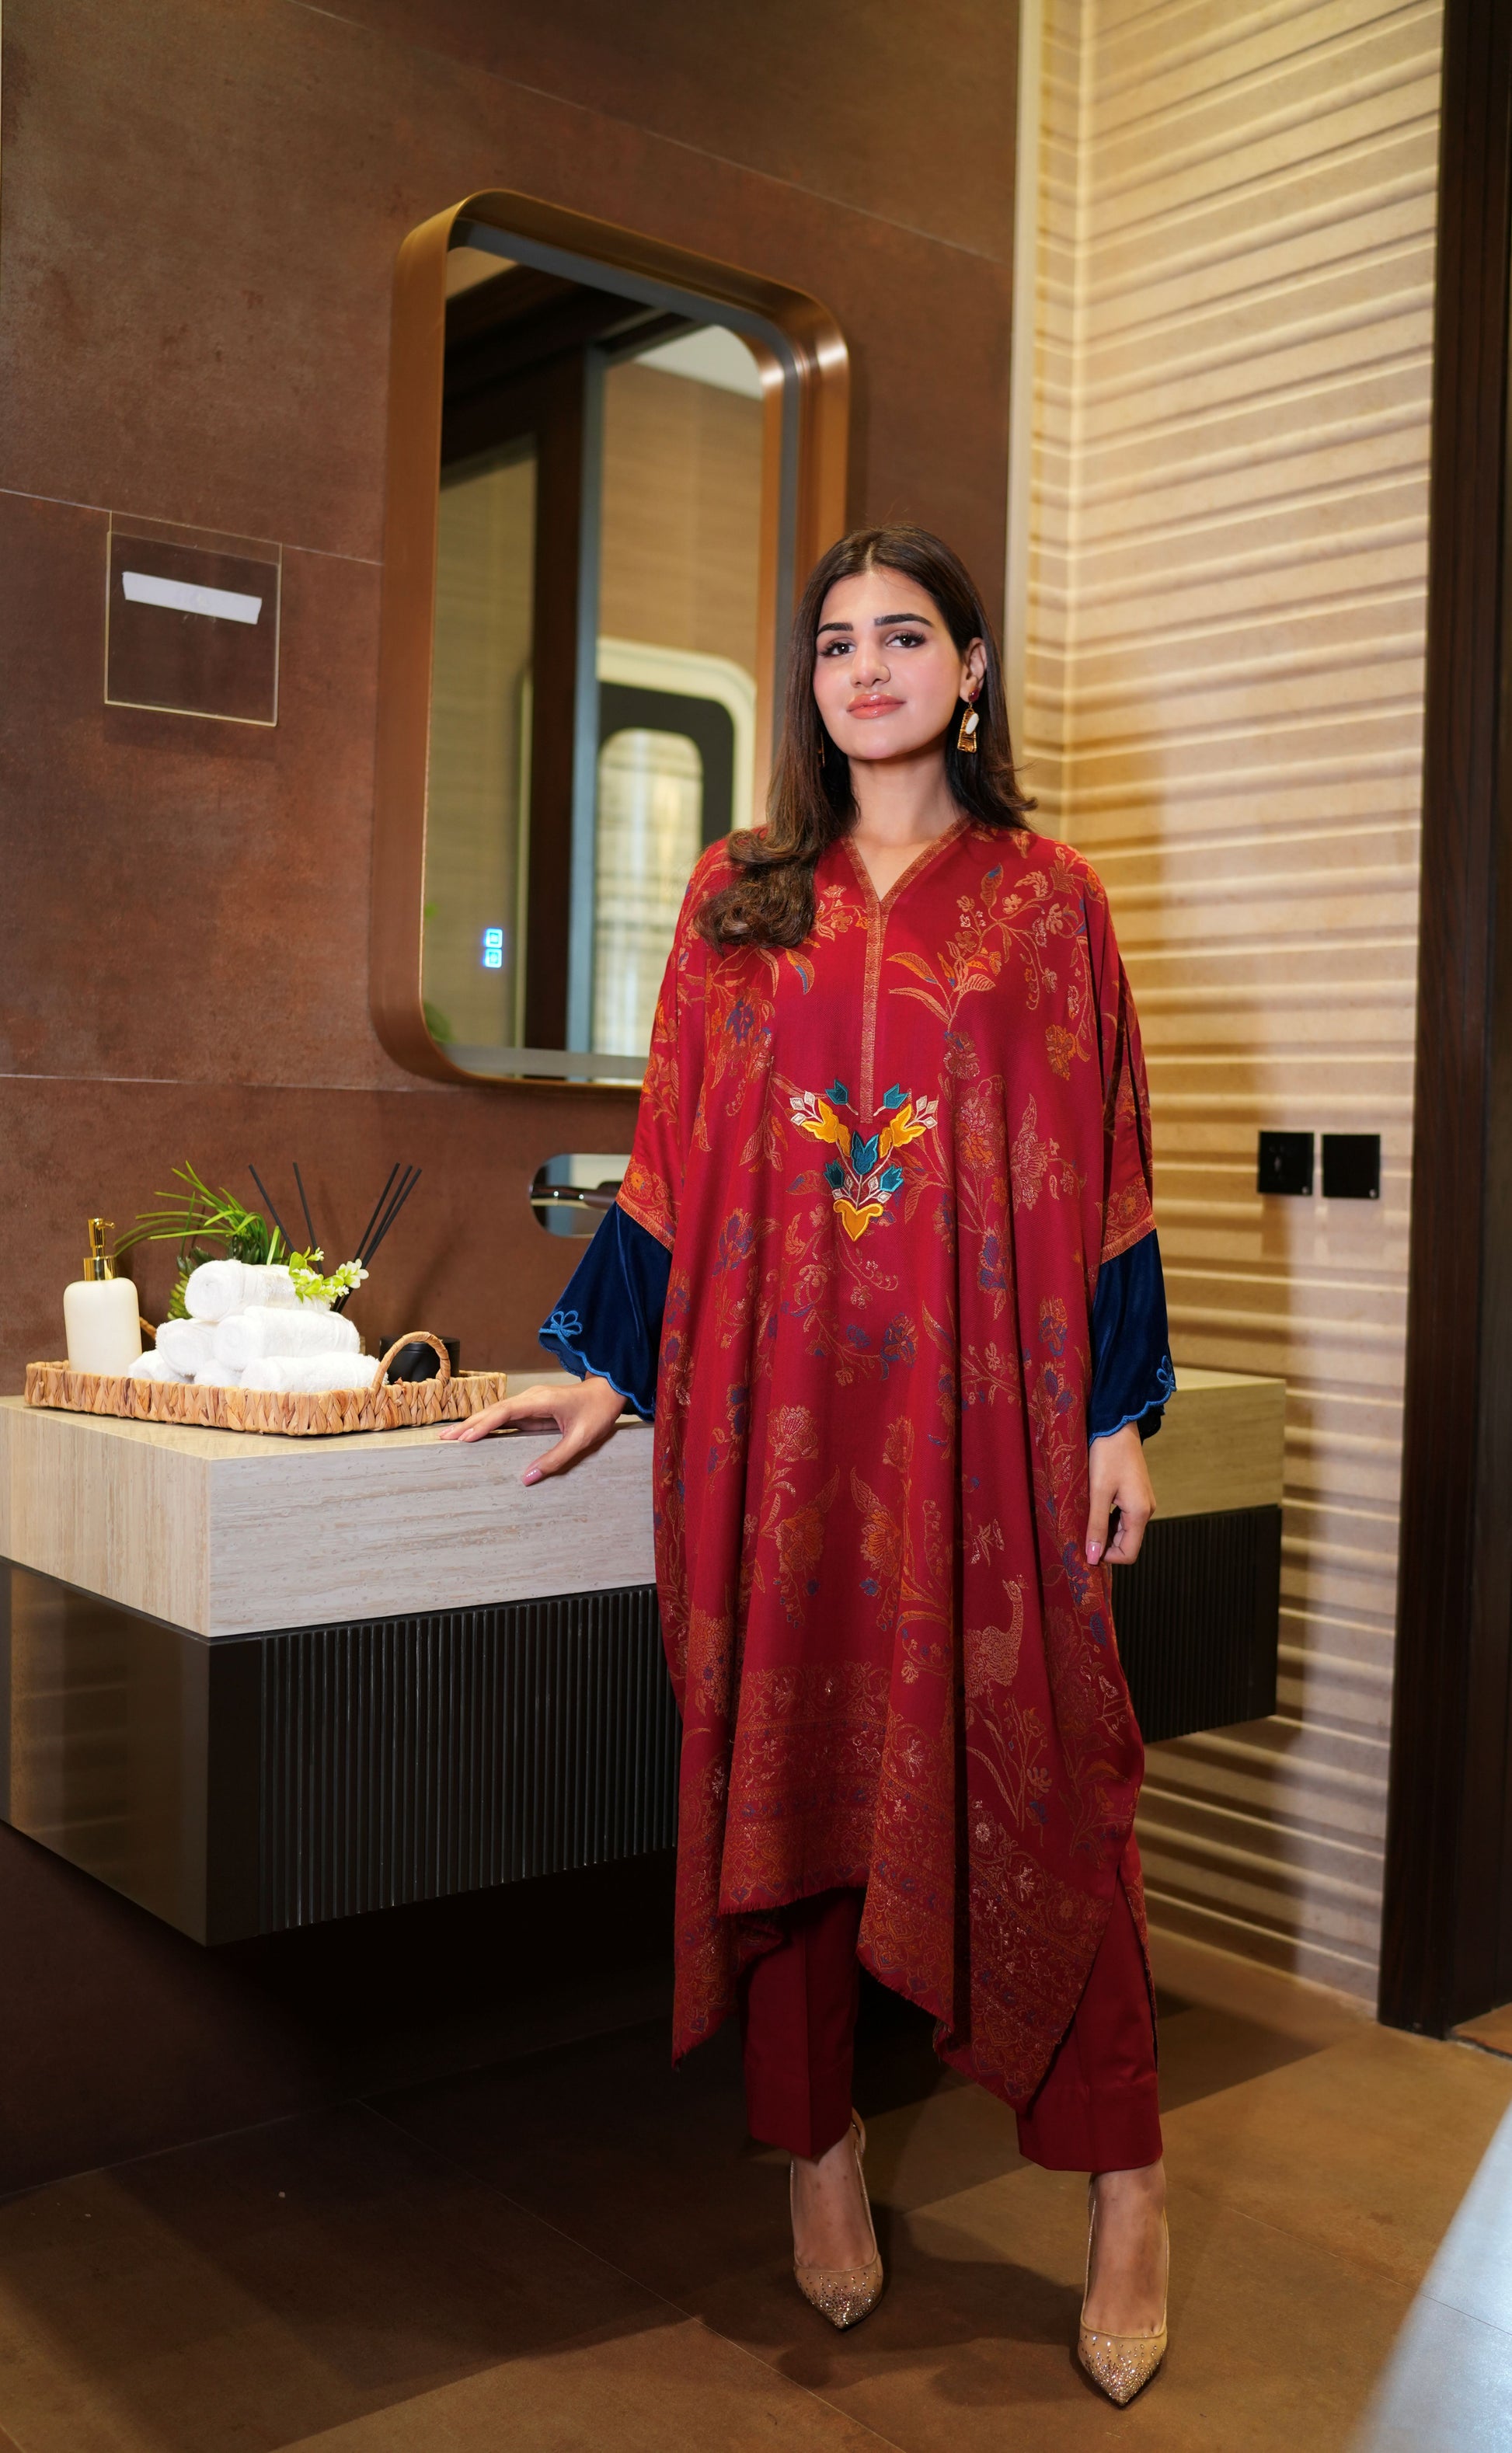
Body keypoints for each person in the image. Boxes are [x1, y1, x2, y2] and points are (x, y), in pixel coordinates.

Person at [444, 524, 1174, 2406]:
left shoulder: (1051, 902)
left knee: (1049, 1775)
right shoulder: (738, 894)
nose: (867, 668)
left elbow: (1105, 1168)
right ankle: (817, 2145)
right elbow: (671, 1152)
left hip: (989, 1421)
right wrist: (600, 1371)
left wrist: (1115, 1413)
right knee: (791, 1760)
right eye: (837, 641)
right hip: (780, 1430)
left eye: (904, 635)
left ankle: (1125, 2185)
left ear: (970, 668)